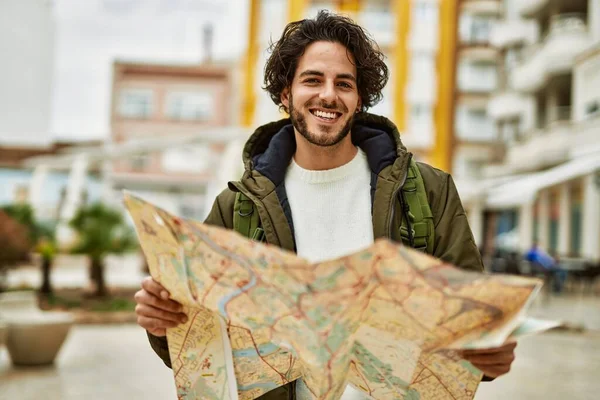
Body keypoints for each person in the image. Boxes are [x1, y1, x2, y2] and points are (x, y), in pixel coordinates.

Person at [133, 11, 516, 399]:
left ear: (359, 98)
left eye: (344, 83)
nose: (328, 95)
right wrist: (161, 323)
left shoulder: (430, 192)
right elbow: (199, 347)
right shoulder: (237, 206)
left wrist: (491, 354)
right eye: (312, 79)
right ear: (286, 94)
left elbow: (477, 330)